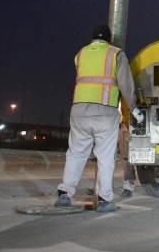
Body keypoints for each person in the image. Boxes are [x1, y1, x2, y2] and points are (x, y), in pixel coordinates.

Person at [55, 24, 144, 212]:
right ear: (109, 39)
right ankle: (104, 199)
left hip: (79, 110)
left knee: (75, 153)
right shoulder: (116, 54)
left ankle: (64, 194)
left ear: (93, 37)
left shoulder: (80, 54)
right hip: (105, 111)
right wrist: (134, 109)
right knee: (105, 156)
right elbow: (126, 84)